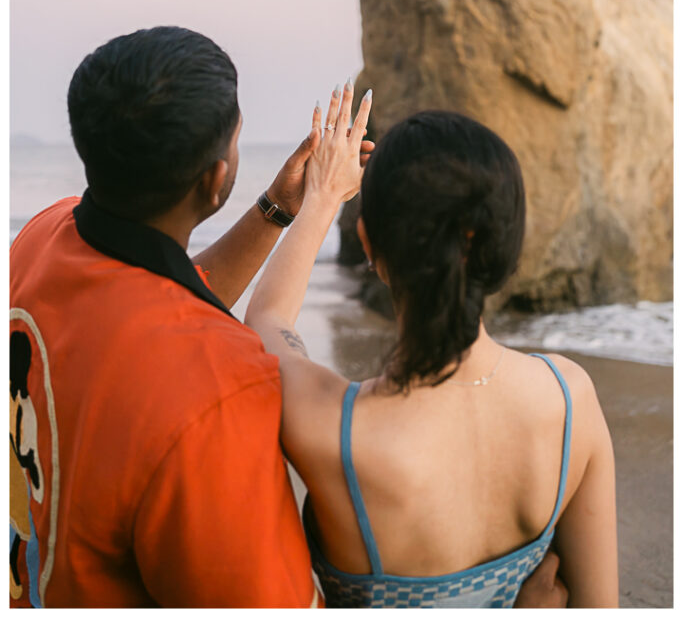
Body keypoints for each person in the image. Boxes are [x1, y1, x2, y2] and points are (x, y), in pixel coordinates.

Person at [10, 25, 568, 608]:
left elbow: (158, 294)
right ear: (217, 176)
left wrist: (283, 207)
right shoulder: (218, 393)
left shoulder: (42, 238)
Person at [244, 83, 619, 607]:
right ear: (506, 249)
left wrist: (324, 196)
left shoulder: (339, 432)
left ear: (370, 246)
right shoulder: (569, 398)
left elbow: (266, 319)